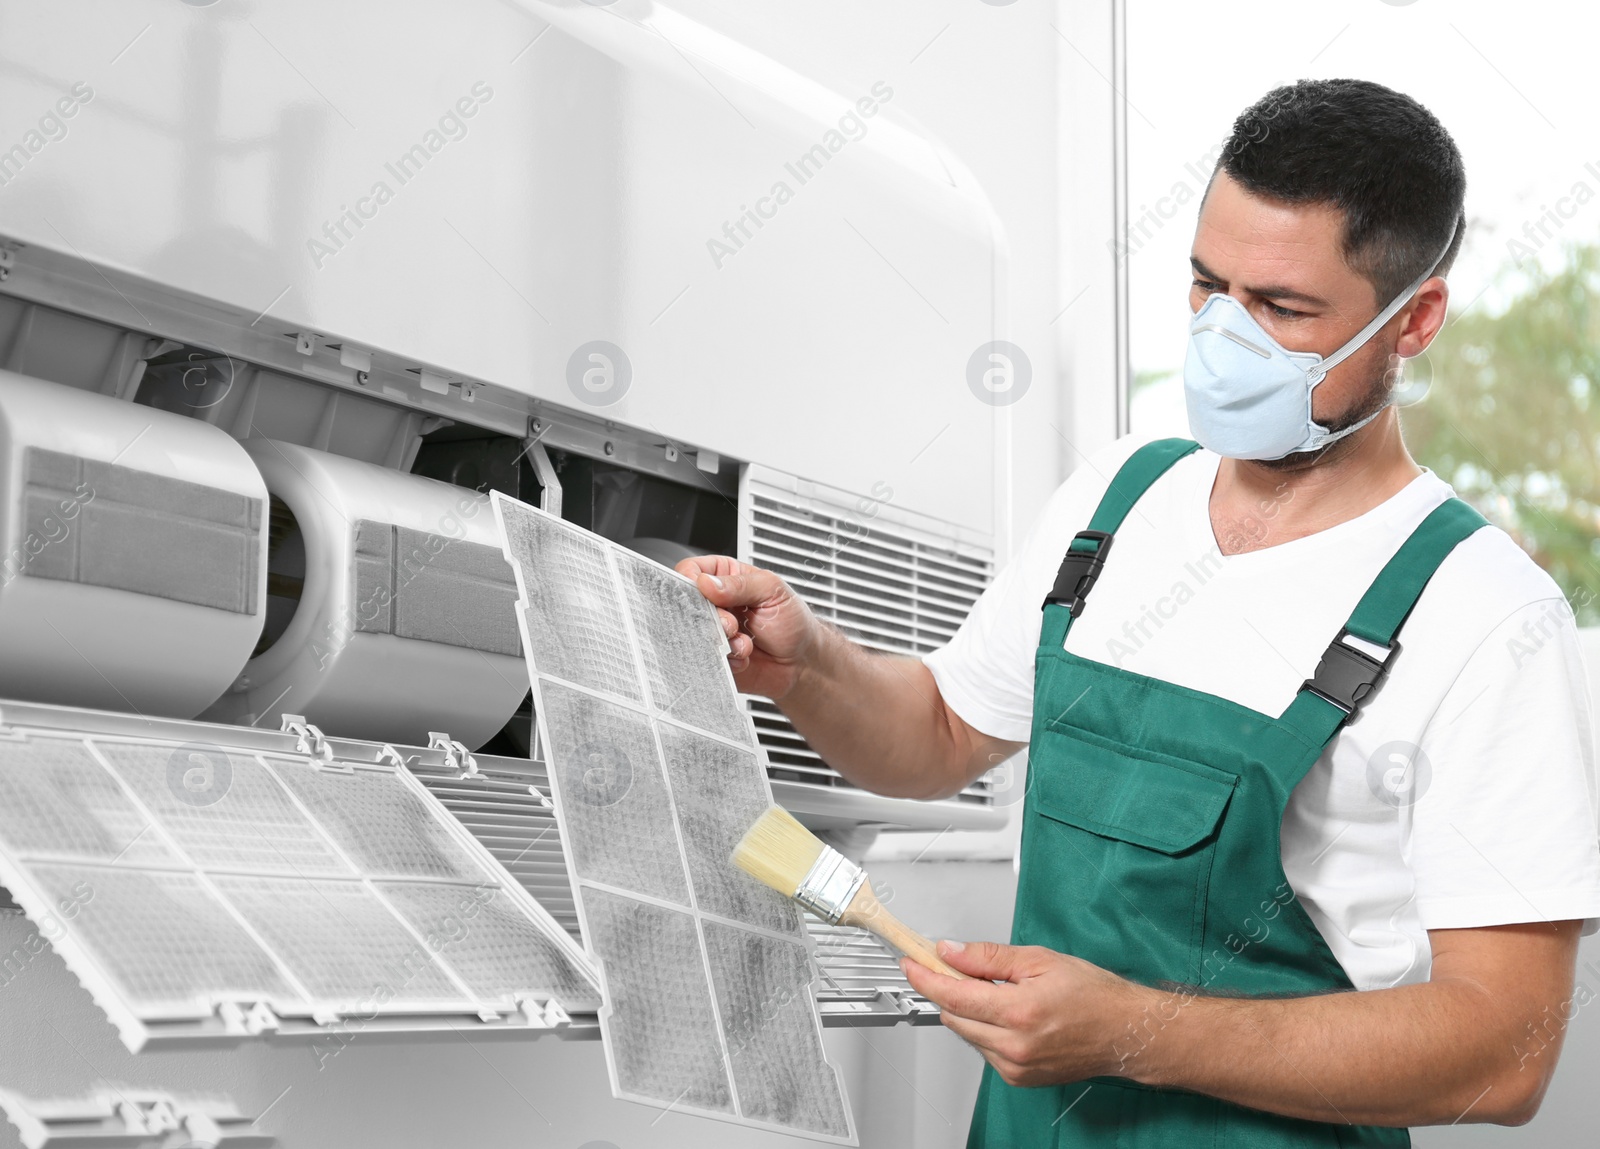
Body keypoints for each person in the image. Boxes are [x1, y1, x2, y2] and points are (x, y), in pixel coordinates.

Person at [680, 78, 1600, 1145]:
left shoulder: (1484, 617)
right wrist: (805, 667)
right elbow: (937, 737)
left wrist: (1133, 1034)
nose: (1224, 337)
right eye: (1207, 288)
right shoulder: (1120, 502)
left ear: (1414, 321)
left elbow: (1504, 1052)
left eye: (1281, 309)